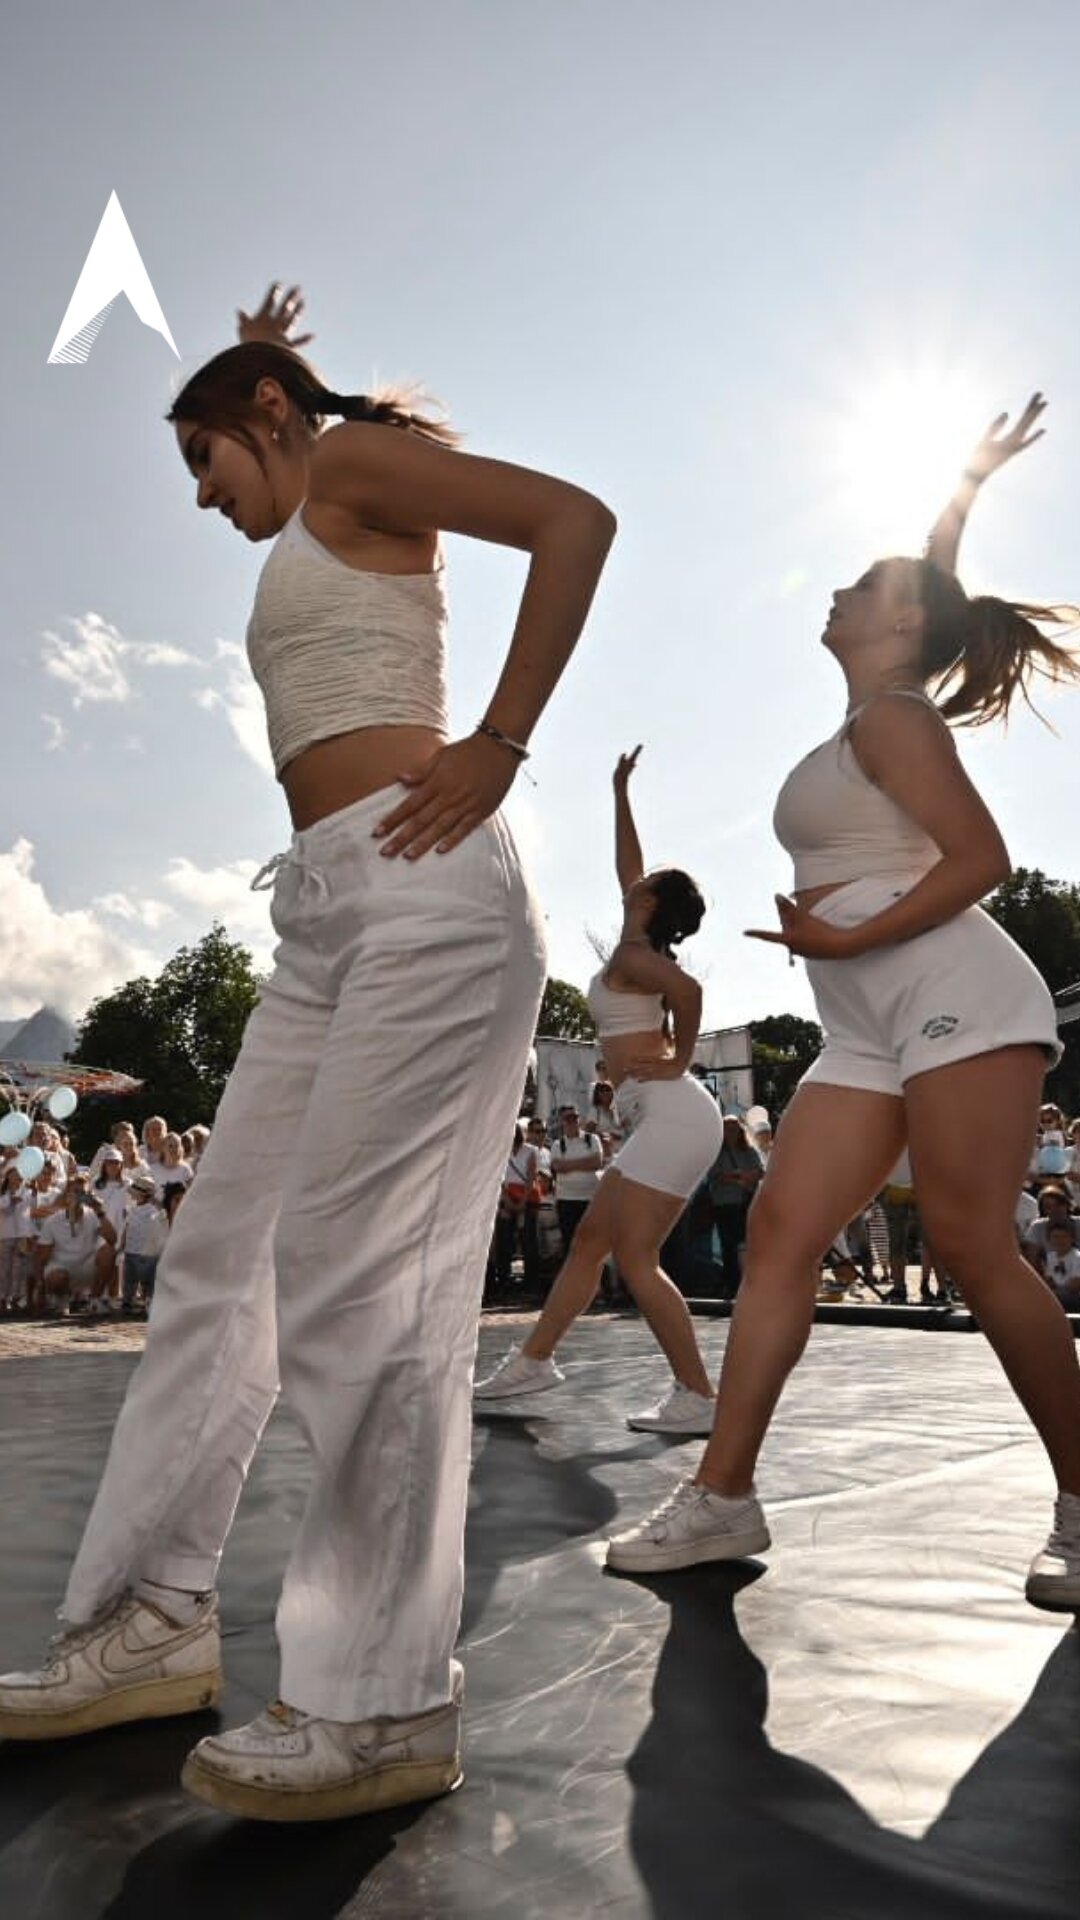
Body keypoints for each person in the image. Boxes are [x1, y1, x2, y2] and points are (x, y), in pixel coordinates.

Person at [0, 282, 614, 1820]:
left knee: (360, 1274)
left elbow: (576, 521)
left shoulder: (342, 463)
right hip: (331, 914)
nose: (203, 497)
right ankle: (144, 1623)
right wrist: (265, 344)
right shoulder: (311, 484)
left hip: (433, 894)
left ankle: (382, 1700)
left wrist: (504, 738)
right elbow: (283, 419)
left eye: (205, 458)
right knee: (217, 1260)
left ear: (264, 419)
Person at [606, 396, 1080, 1615]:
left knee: (973, 1246)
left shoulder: (894, 716)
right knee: (780, 1233)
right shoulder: (868, 711)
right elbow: (929, 583)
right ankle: (724, 1497)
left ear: (903, 623)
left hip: (960, 1001)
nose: (836, 592)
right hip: (870, 1024)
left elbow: (983, 859)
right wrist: (964, 485)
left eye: (860, 587)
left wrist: (843, 934)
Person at [475, 745, 724, 1433]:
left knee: (636, 1258)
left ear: (651, 904)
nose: (631, 886)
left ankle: (698, 1396)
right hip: (665, 1118)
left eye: (643, 887)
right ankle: (534, 1362)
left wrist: (679, 1061)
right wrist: (619, 790)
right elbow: (630, 866)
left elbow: (692, 990)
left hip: (674, 1113)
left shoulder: (638, 957)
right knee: (590, 1245)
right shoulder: (633, 943)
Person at [706, 1115, 765, 1300]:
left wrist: (739, 1177)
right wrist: (741, 1177)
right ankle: (732, 1283)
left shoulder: (749, 1150)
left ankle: (749, 1282)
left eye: (733, 1128)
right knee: (729, 1245)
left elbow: (760, 1171)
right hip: (724, 1204)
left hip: (745, 1203)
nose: (730, 1132)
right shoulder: (716, 1152)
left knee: (746, 1245)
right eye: (726, 1129)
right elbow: (715, 1175)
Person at [548, 1106, 605, 1252]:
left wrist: (568, 1165)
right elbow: (557, 1167)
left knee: (591, 1241)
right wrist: (585, 1162)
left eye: (575, 1117)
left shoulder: (592, 1139)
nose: (572, 1121)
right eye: (568, 1118)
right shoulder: (557, 1144)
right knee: (569, 1243)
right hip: (566, 1200)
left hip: (589, 1199)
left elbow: (597, 1163)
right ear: (562, 1122)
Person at [1042, 1222, 1080, 1307]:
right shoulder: (1050, 1257)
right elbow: (1048, 1280)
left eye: (1064, 1237)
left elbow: (1075, 1285)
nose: (1059, 1240)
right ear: (1049, 1239)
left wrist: (1054, 1290)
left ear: (1072, 1239)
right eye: (1055, 1237)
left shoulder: (1077, 1257)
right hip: (1057, 1294)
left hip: (1075, 1296)